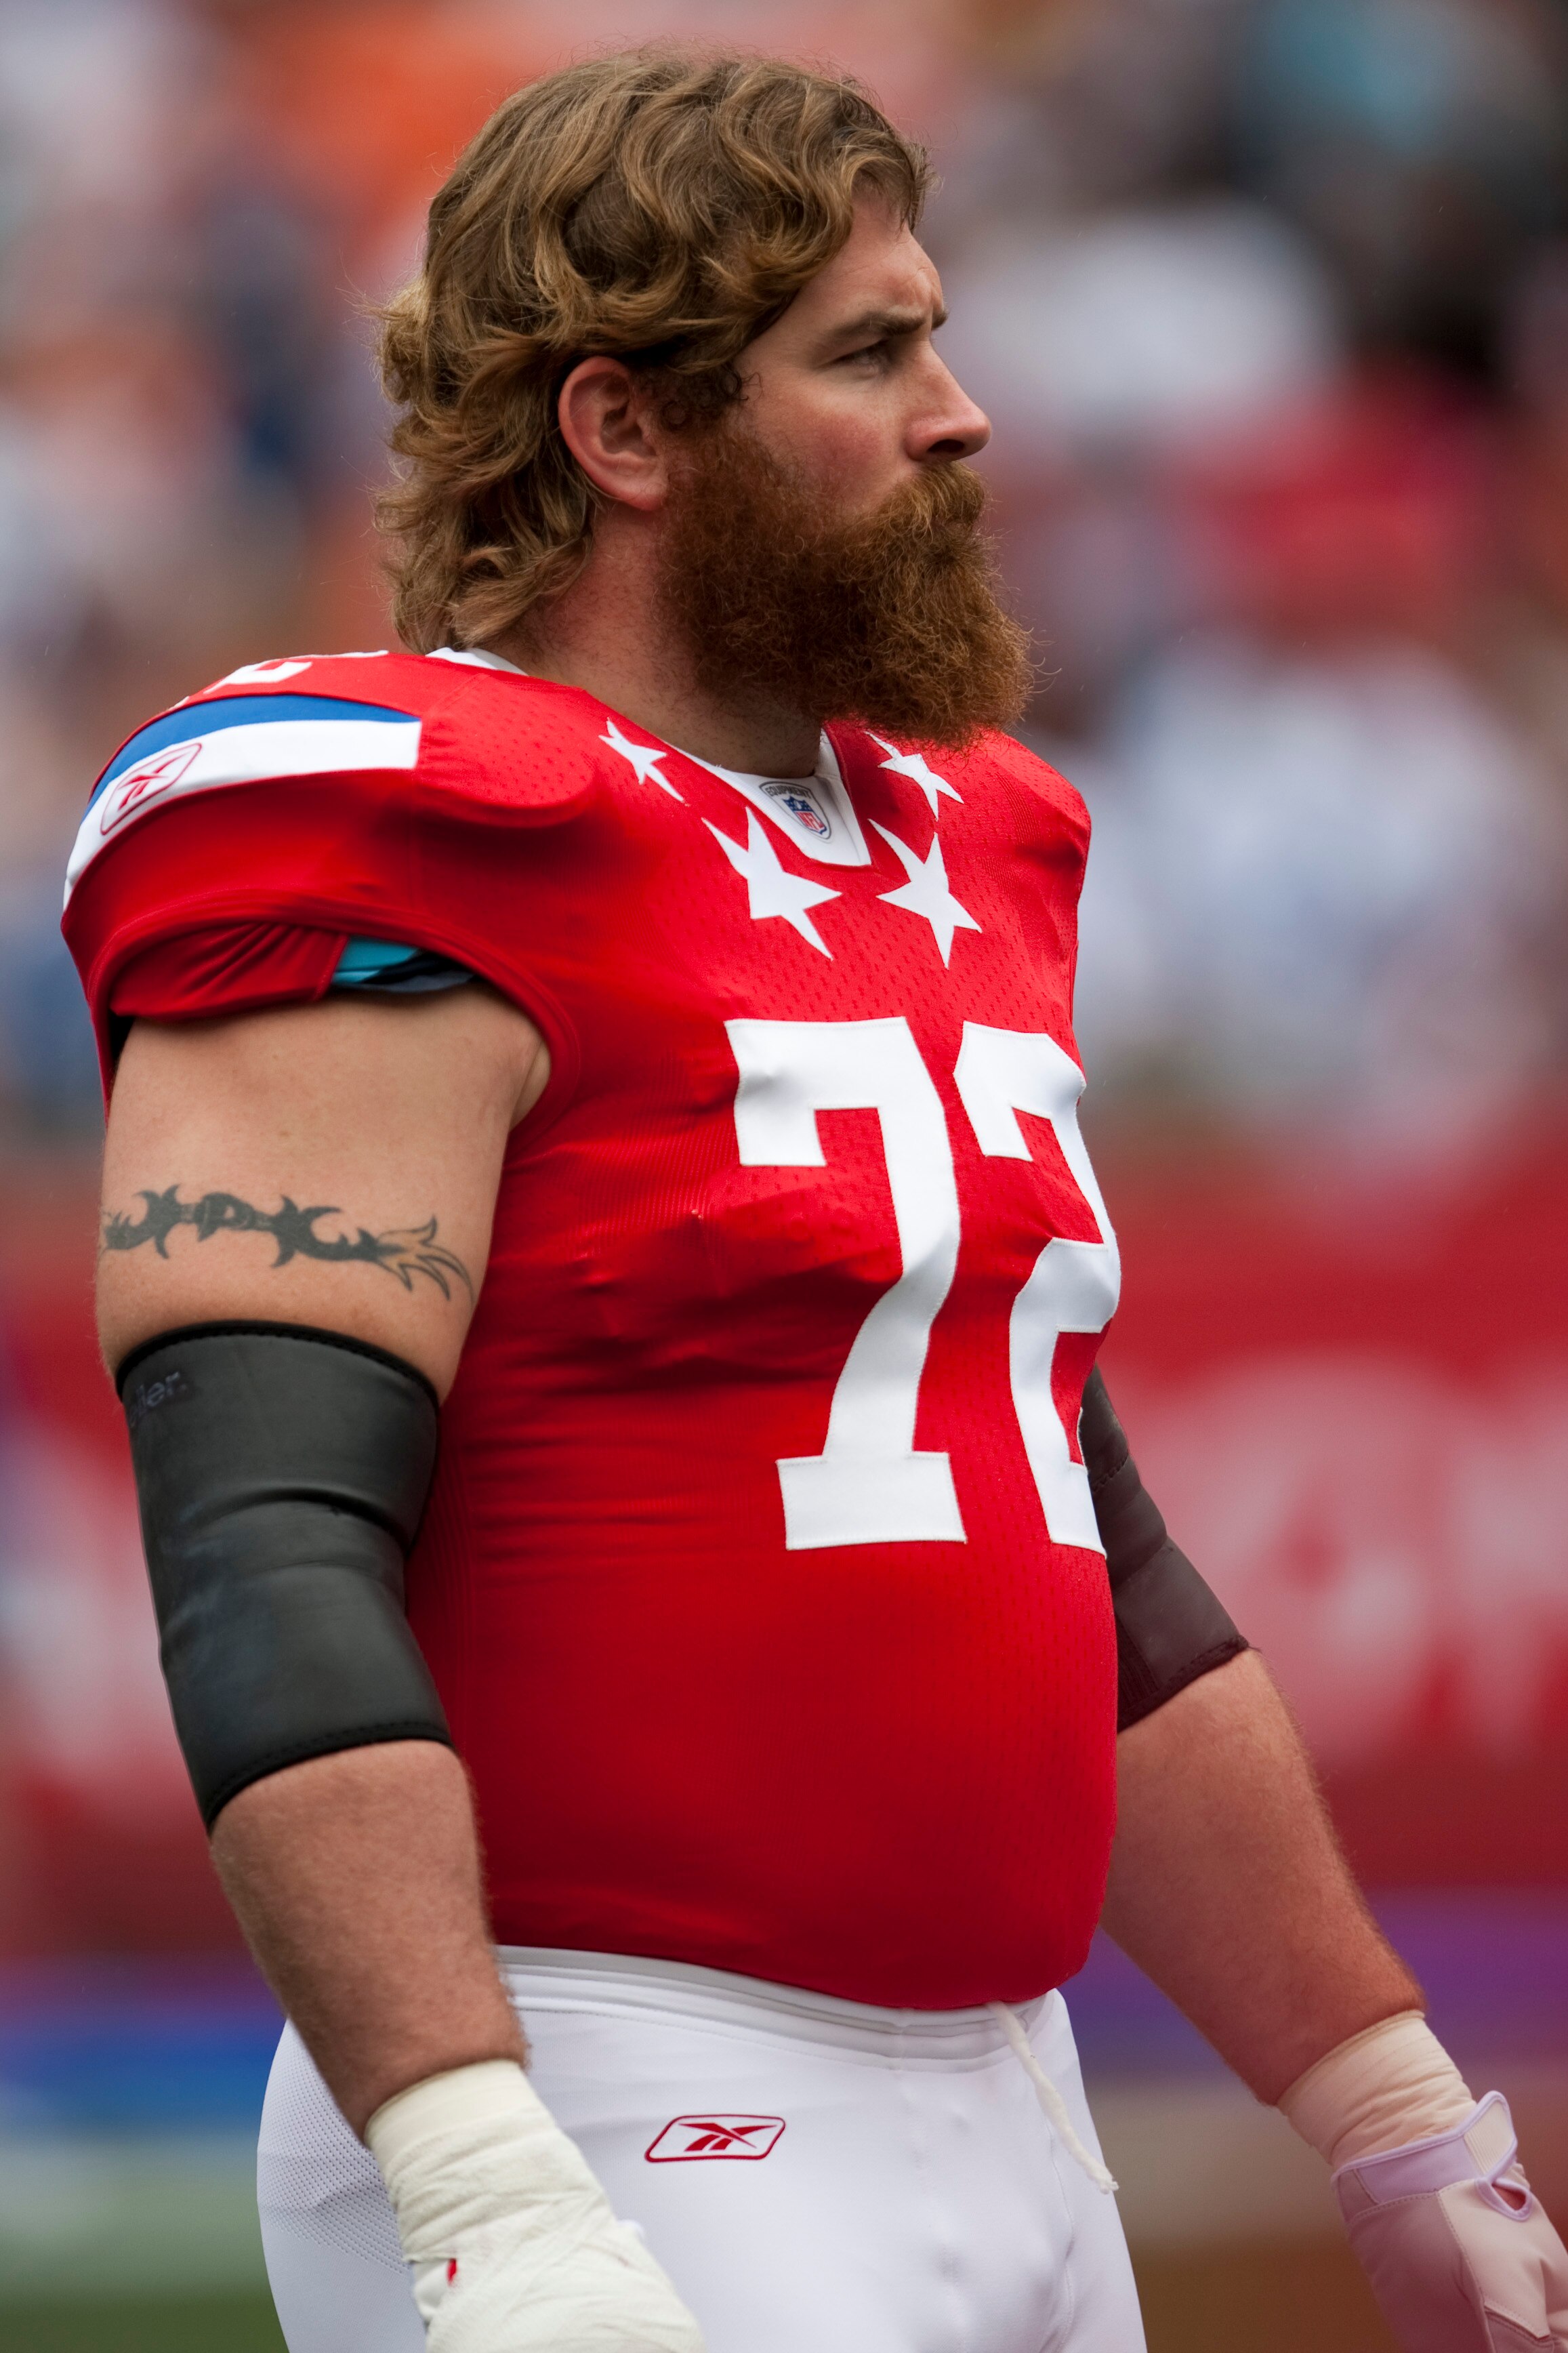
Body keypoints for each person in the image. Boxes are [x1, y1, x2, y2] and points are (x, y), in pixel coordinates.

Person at [65, 49, 1567, 2353]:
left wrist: (1381, 2104)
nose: (964, 417)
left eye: (938, 336)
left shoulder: (970, 843)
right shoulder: (395, 828)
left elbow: (1082, 1539)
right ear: (622, 430)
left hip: (1011, 2091)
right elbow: (263, 1552)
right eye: (867, 355)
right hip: (616, 2087)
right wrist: (482, 2175)